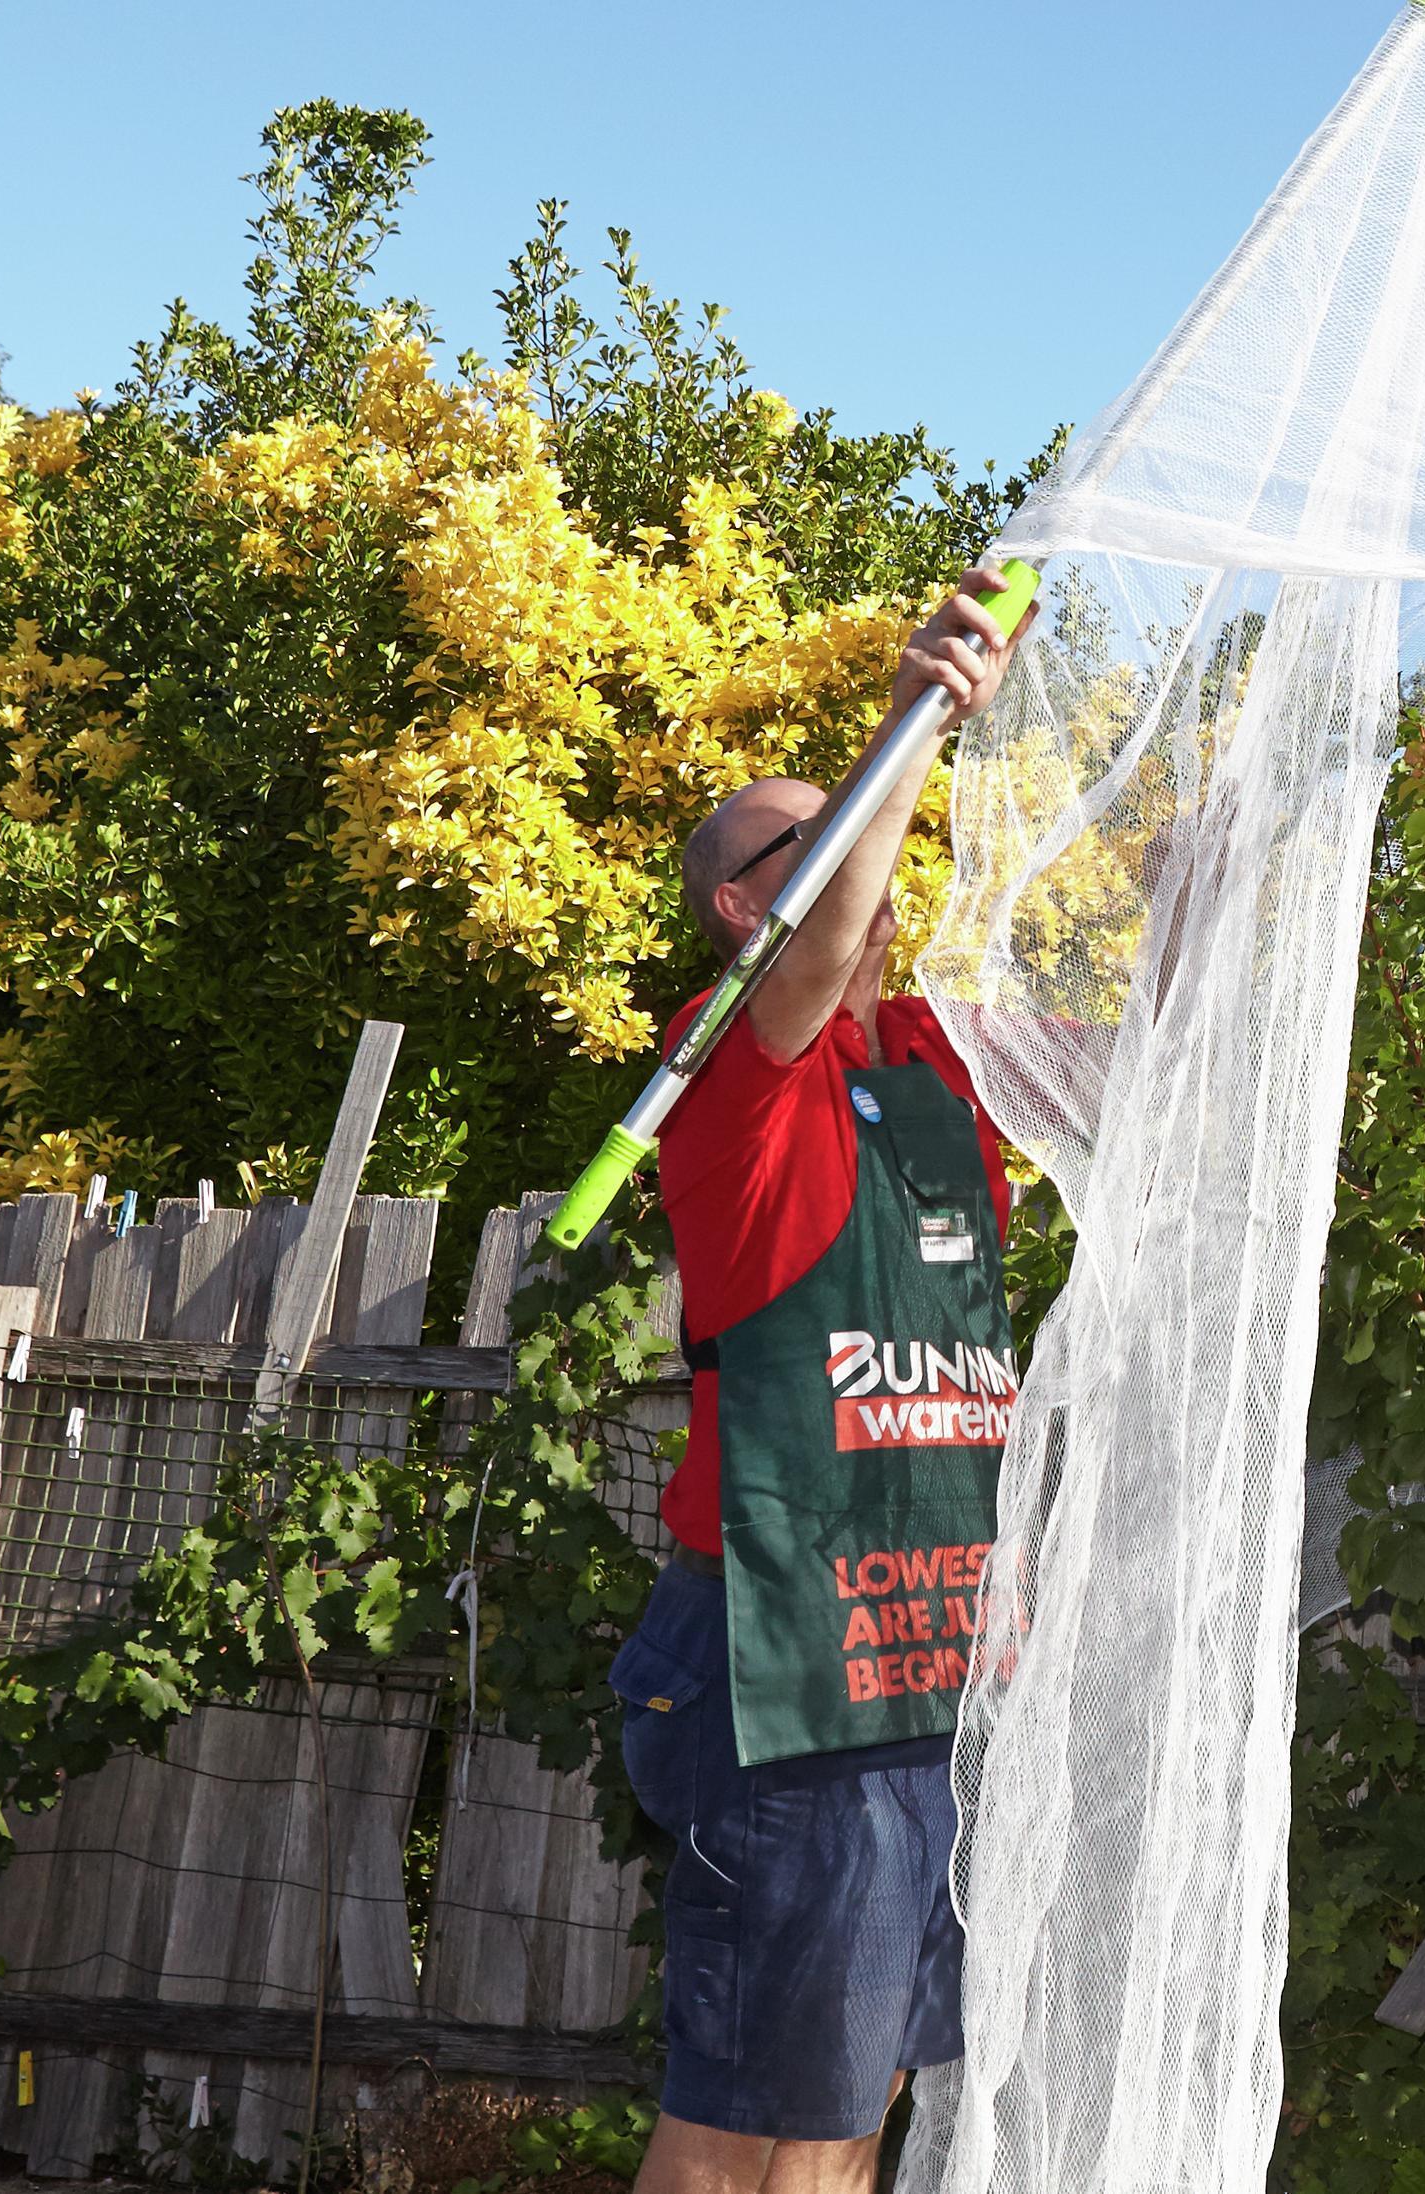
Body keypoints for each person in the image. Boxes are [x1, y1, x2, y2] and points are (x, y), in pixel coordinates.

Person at [609, 569, 1033, 2194]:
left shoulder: (936, 1066)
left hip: (920, 1669)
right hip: (774, 1660)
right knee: (740, 2143)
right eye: (825, 828)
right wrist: (908, 722)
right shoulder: (724, 1065)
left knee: (843, 2123)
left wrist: (1236, 837)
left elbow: (1158, 1042)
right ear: (739, 904)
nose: (878, 852)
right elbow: (820, 948)